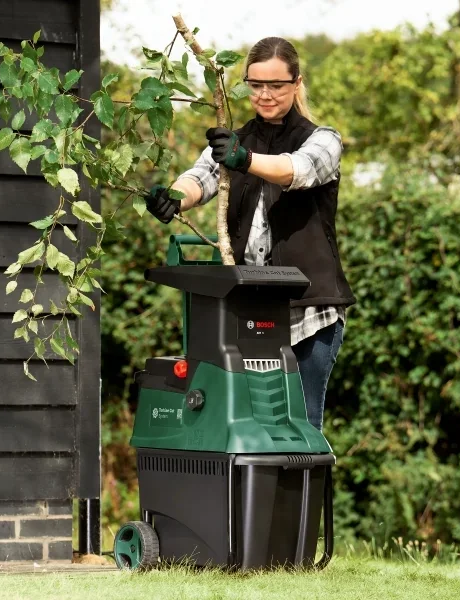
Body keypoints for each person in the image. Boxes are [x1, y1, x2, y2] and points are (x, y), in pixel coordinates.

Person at [144, 37, 355, 431]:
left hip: (310, 312)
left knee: (301, 429)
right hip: (250, 313)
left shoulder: (323, 139)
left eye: (276, 85)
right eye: (256, 84)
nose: (265, 94)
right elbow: (200, 178)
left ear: (296, 83)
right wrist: (173, 198)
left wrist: (245, 159)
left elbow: (297, 170)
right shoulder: (234, 141)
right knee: (251, 428)